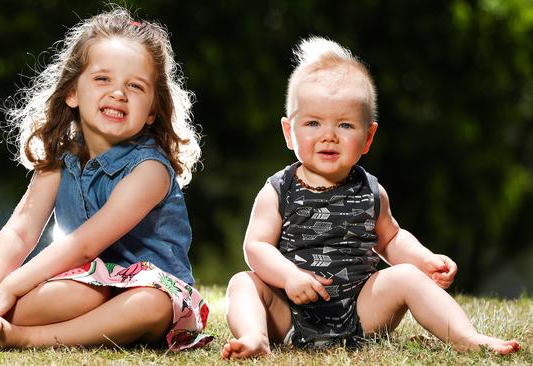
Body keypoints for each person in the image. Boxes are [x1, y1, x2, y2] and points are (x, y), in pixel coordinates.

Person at [0, 7, 213, 352]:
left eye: (135, 86)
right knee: (77, 294)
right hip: (88, 288)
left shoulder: (150, 171)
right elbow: (20, 231)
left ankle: (25, 336)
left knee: (149, 304)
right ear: (72, 92)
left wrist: (9, 288)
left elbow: (83, 245)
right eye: (102, 79)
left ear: (153, 110)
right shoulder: (59, 161)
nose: (118, 93)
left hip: (149, 295)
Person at [220, 36, 520, 359]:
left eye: (345, 124)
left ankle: (465, 336)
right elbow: (256, 247)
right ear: (289, 132)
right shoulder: (279, 190)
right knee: (242, 283)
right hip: (289, 313)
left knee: (406, 277)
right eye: (313, 123)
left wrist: (424, 261)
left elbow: (391, 240)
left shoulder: (371, 192)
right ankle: (255, 337)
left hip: (359, 312)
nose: (328, 135)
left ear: (368, 137)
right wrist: (289, 276)